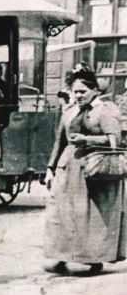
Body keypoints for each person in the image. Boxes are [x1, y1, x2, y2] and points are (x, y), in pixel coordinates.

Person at [44, 66, 126, 274]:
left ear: (95, 91)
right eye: (75, 91)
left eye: (83, 91)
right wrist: (50, 168)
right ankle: (62, 256)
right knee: (62, 213)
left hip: (94, 168)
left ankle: (94, 259)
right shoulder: (69, 111)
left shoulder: (106, 110)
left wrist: (87, 139)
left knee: (91, 217)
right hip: (68, 168)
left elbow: (115, 140)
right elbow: (59, 142)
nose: (78, 95)